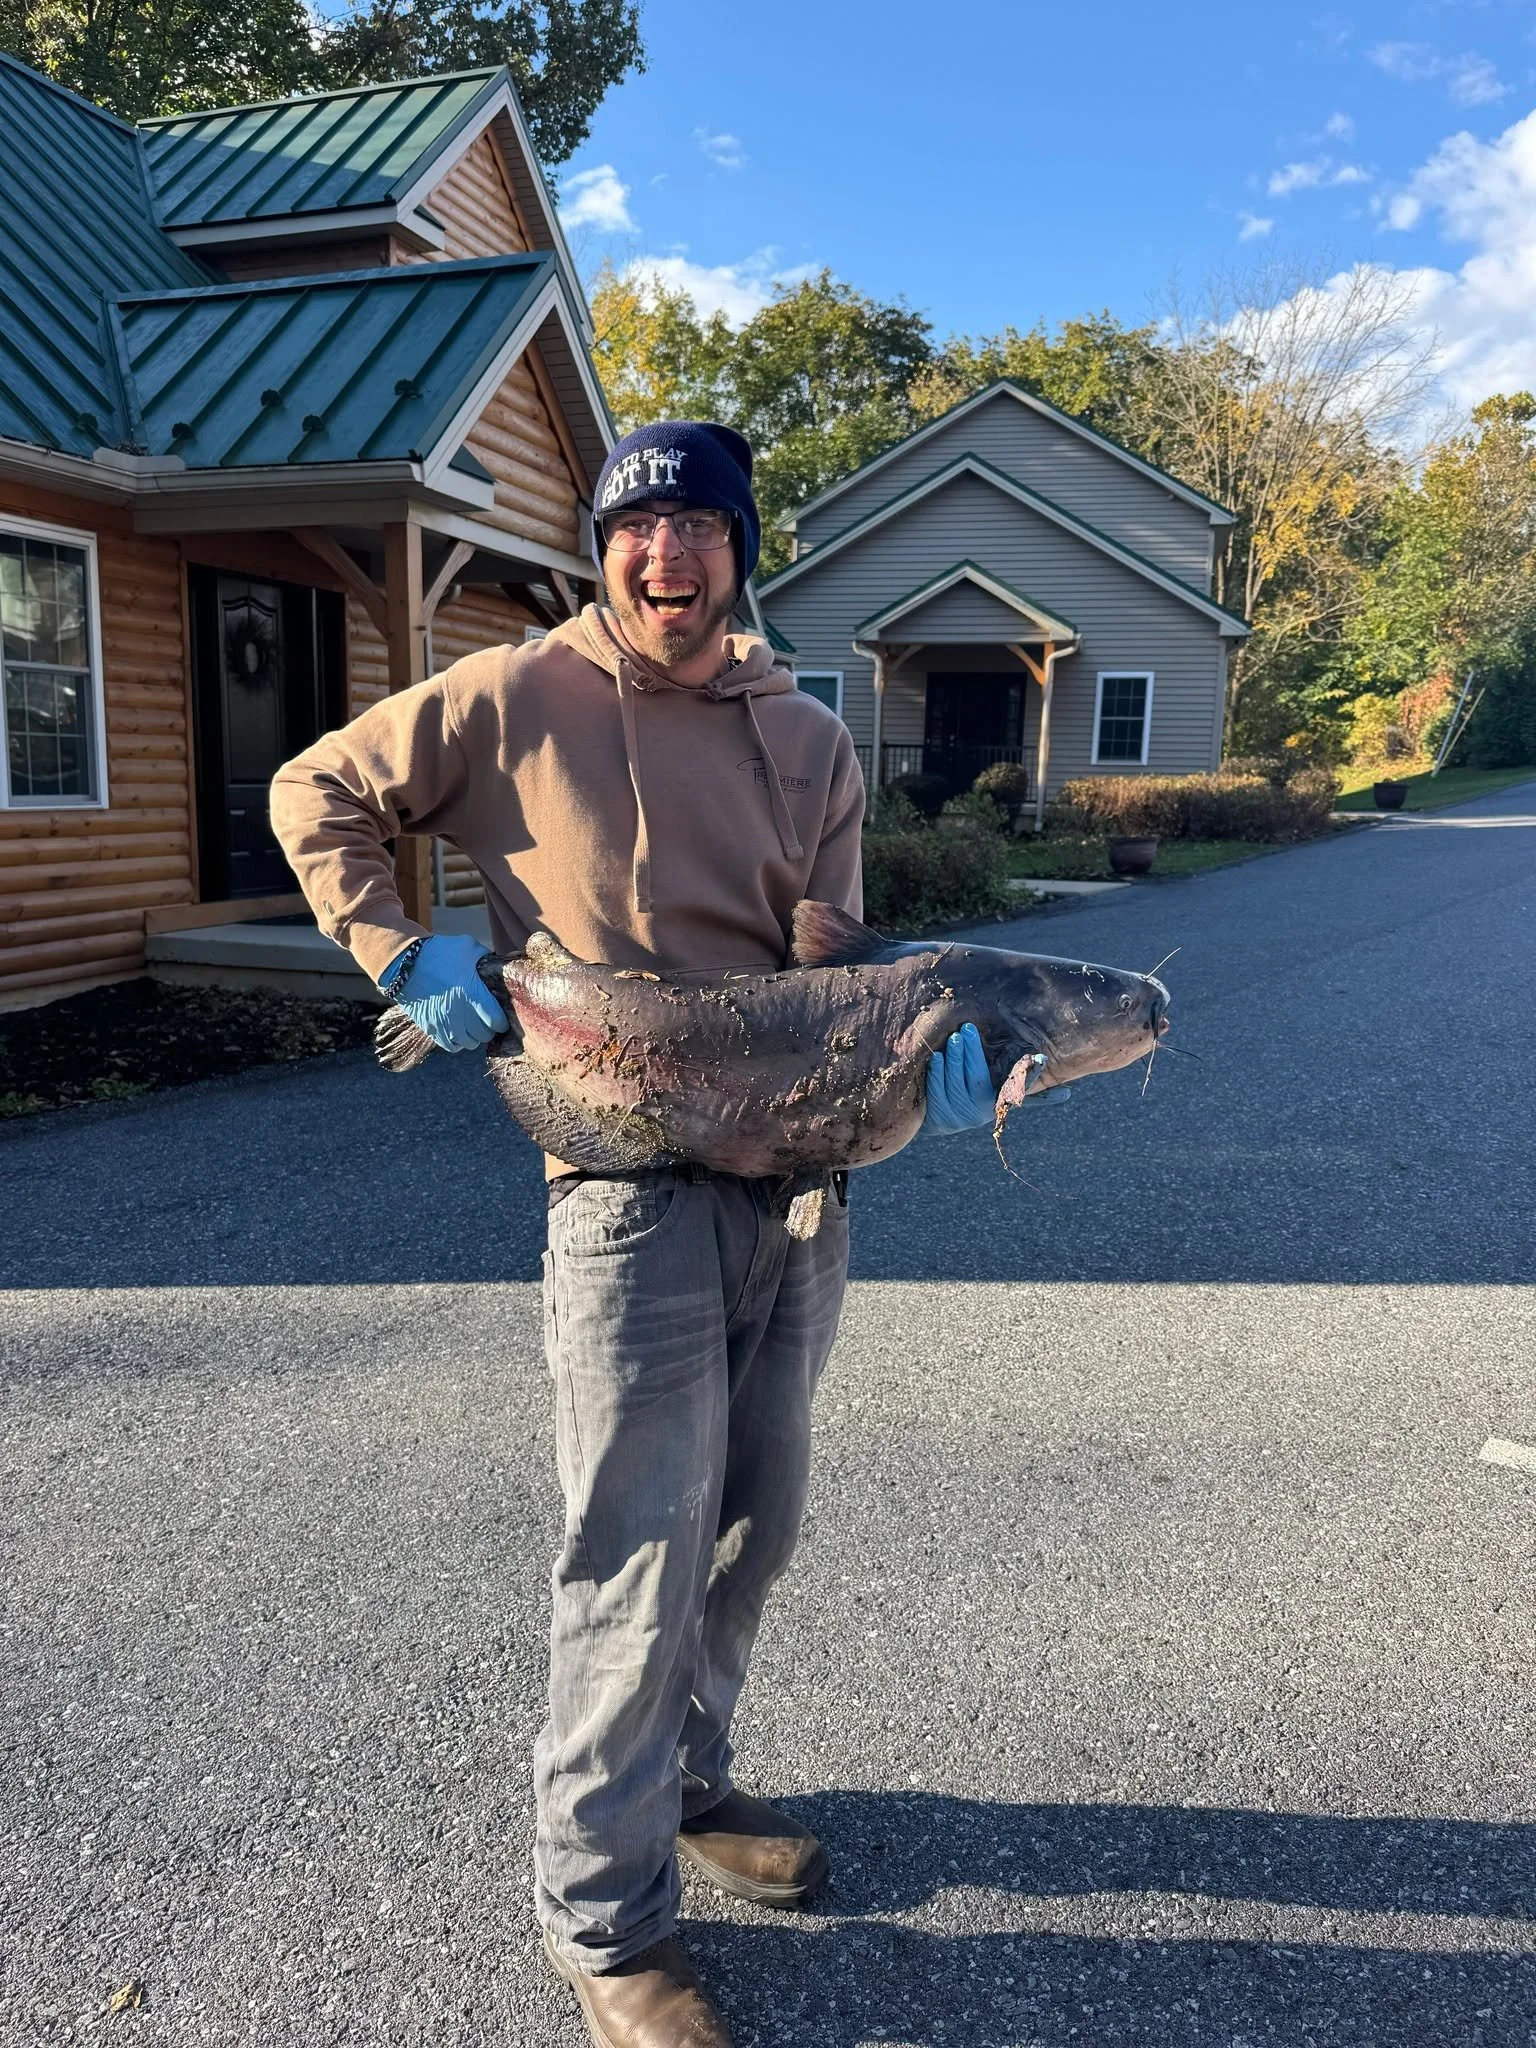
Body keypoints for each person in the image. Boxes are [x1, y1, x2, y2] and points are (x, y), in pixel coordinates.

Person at [270, 420, 997, 2047]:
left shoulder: (807, 738)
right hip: (617, 1185)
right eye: (641, 529)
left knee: (753, 1526)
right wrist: (398, 952)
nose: (671, 558)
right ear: (604, 551)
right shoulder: (514, 696)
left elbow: (836, 975)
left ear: (744, 555)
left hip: (796, 1190)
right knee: (636, 1547)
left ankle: (684, 1785)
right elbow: (314, 787)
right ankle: (602, 1920)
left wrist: (916, 1094)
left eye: (703, 531)